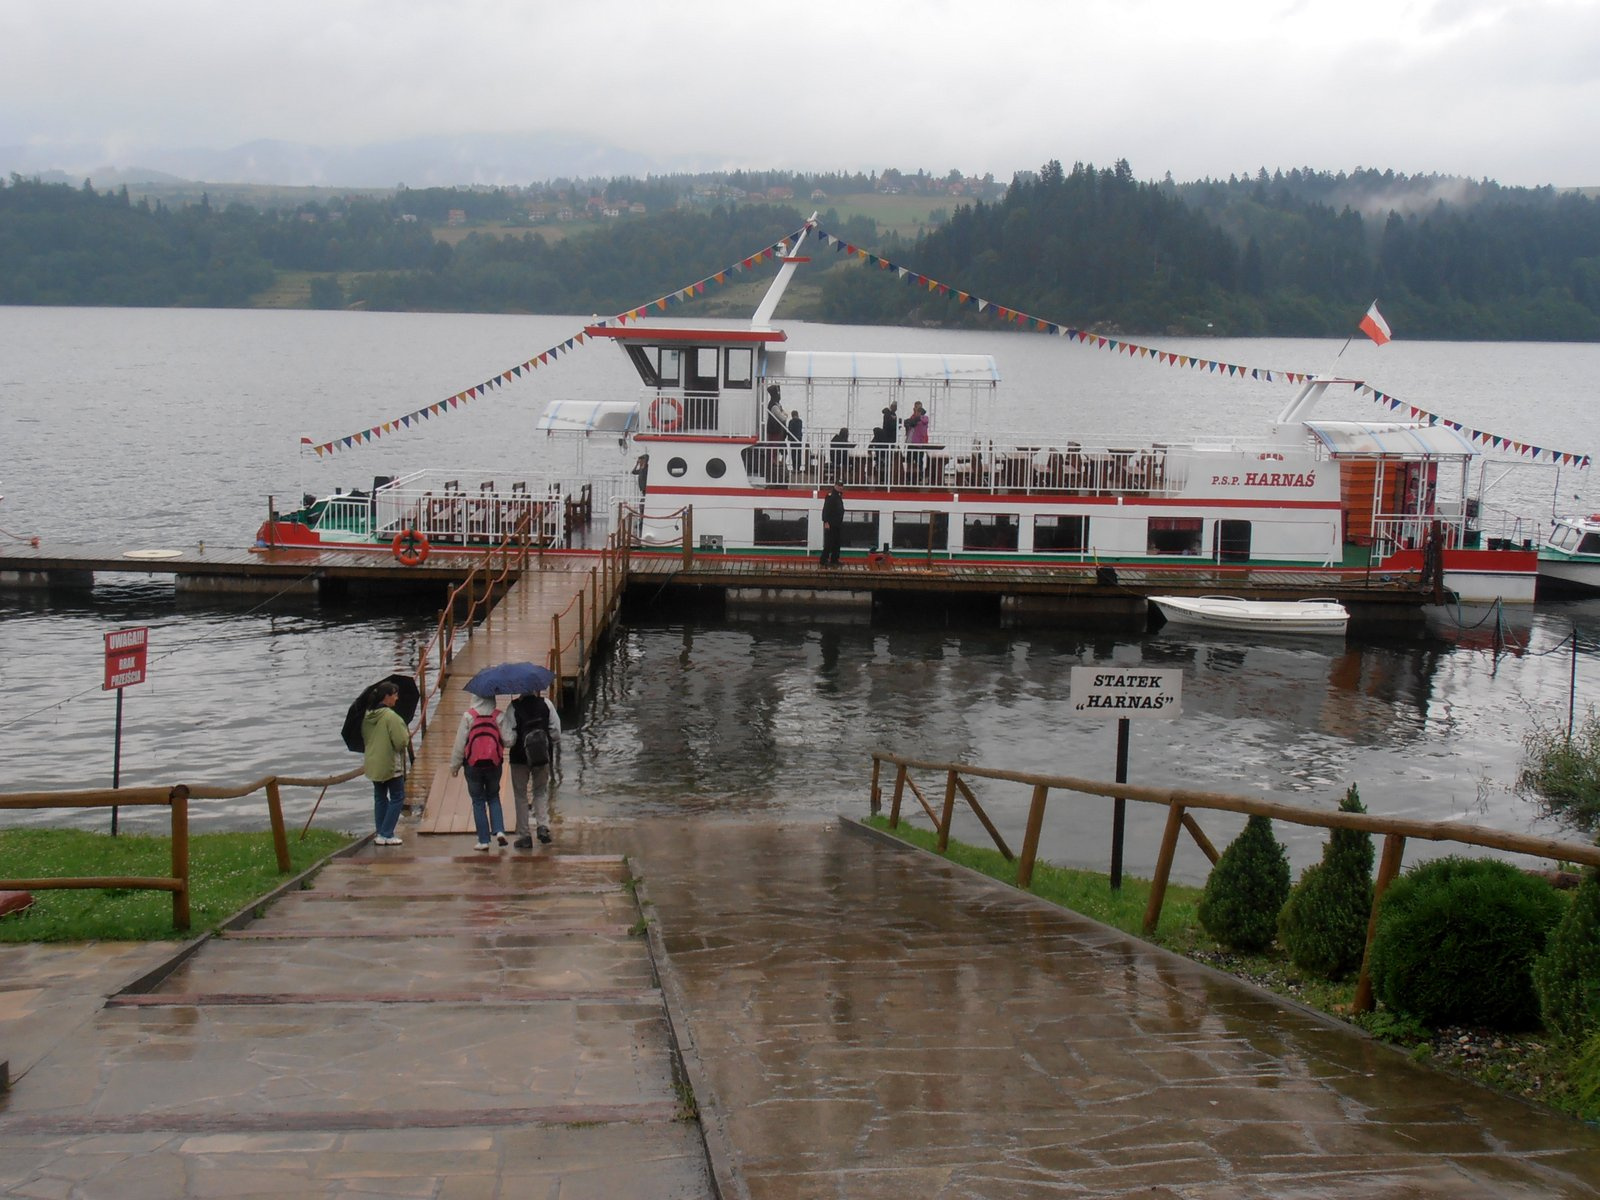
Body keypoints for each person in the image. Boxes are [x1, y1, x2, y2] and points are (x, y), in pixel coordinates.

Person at [450, 693, 512, 851]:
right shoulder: (498, 716)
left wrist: (455, 767)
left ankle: (483, 840)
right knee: (493, 796)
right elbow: (509, 740)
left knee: (478, 801)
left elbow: (459, 744)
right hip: (494, 764)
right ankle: (499, 830)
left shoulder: (468, 716)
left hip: (472, 765)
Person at [508, 690, 562, 847]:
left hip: (519, 758)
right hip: (542, 756)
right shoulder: (546, 704)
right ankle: (543, 826)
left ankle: (524, 835)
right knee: (540, 791)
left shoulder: (513, 707)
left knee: (520, 795)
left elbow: (508, 739)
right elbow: (556, 733)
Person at [361, 682, 410, 846]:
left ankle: (380, 832)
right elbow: (401, 742)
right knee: (397, 796)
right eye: (395, 694)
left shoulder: (367, 716)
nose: (397, 697)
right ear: (386, 697)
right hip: (389, 763)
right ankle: (387, 833)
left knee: (380, 797)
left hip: (373, 762)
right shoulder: (390, 717)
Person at [820, 482, 844, 567]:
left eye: (842, 486)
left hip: (837, 524)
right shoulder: (831, 496)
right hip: (830, 524)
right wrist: (826, 522)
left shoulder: (838, 496)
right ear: (835, 486)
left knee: (836, 543)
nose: (841, 487)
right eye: (839, 486)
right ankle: (823, 560)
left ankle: (834, 560)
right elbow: (826, 509)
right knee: (829, 543)